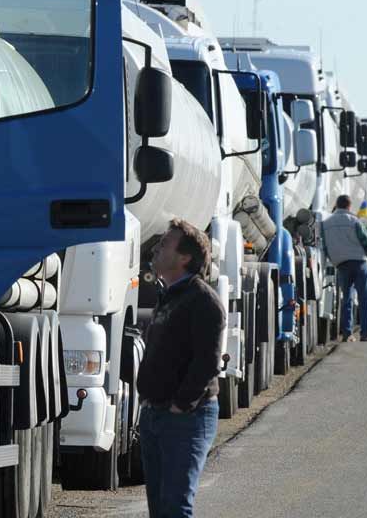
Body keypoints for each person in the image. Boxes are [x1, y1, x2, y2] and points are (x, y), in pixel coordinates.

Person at [138, 219, 226, 518]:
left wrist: (181, 404)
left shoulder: (203, 301)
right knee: (160, 508)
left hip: (186, 418)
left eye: (165, 244)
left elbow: (207, 362)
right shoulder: (170, 295)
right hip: (155, 414)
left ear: (185, 257)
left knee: (175, 507)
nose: (157, 249)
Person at [320, 195, 367, 341]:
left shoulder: (325, 223)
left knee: (346, 299)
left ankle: (347, 333)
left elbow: (324, 245)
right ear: (349, 206)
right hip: (359, 263)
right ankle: (366, 333)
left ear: (337, 205)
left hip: (341, 264)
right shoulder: (354, 221)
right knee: (364, 298)